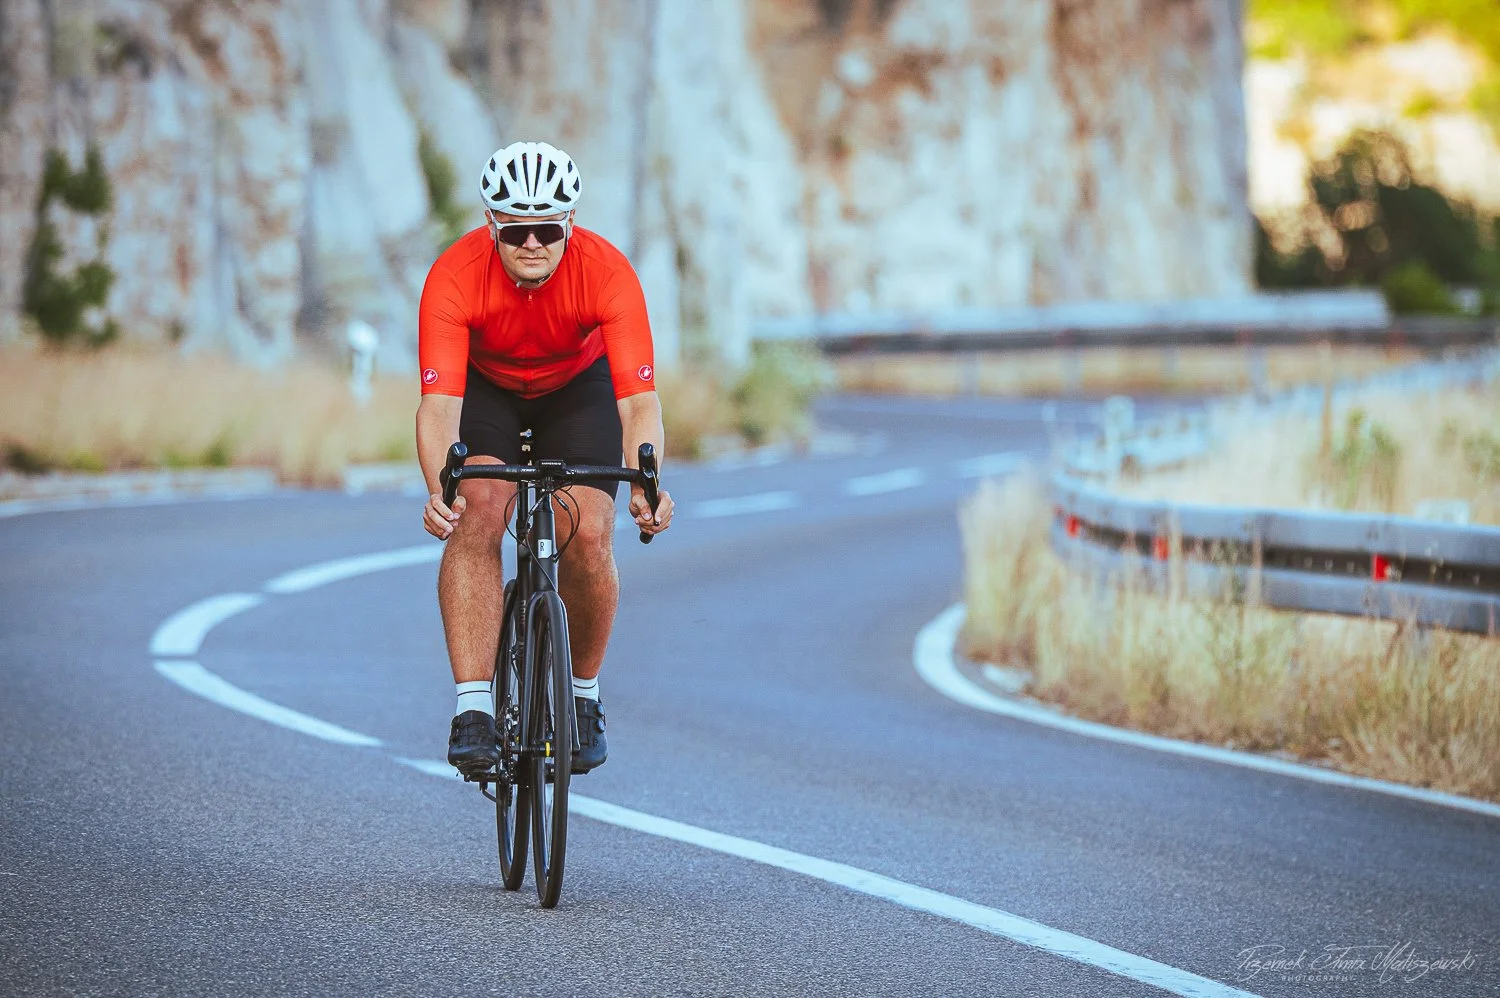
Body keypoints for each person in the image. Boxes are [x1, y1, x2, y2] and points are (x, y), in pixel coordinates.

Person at [415, 140, 675, 777]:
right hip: (487, 390)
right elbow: (439, 407)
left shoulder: (609, 273)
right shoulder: (453, 275)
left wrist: (646, 480)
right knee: (479, 508)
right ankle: (473, 709)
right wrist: (440, 487)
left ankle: (582, 697)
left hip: (574, 391)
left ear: (570, 225)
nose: (533, 243)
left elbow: (639, 401)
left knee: (588, 533)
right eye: (516, 231)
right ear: (491, 225)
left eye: (548, 229)